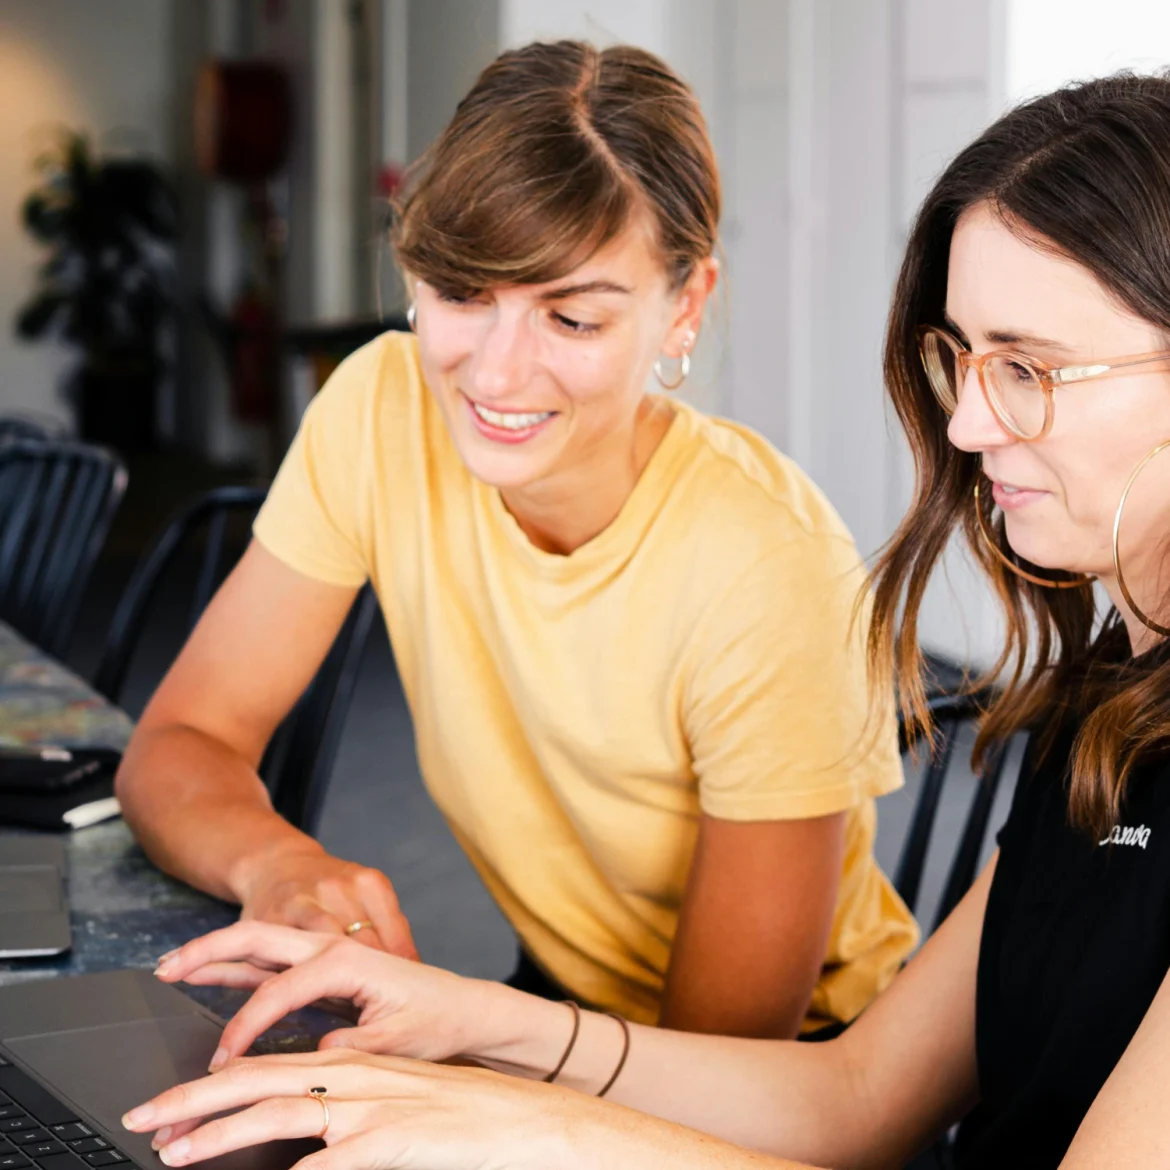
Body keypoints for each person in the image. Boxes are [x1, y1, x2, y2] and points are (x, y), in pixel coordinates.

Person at [121, 69, 1170, 1169]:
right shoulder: (1110, 693)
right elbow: (858, 1098)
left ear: (684, 306)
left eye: (1031, 369)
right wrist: (479, 1028)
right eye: (961, 359)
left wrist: (509, 1112)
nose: (961, 425)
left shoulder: (765, 559)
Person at [114, 39, 915, 1042]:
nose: (495, 376)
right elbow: (178, 745)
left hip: (787, 1081)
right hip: (562, 1001)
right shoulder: (380, 407)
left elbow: (722, 1068)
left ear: (685, 308)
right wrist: (278, 863)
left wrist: (469, 1042)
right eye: (462, 294)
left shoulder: (770, 569)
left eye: (571, 319)